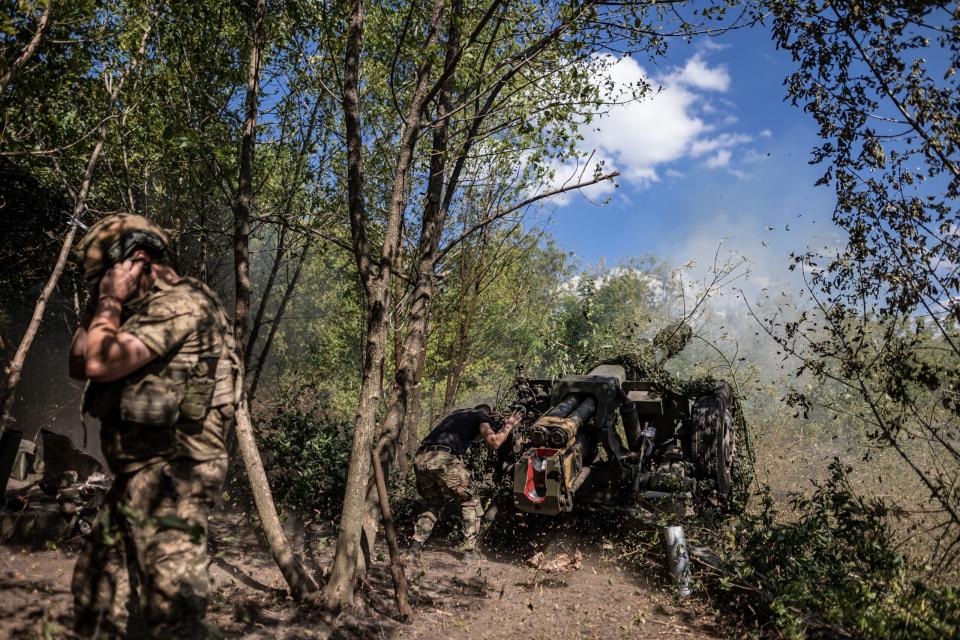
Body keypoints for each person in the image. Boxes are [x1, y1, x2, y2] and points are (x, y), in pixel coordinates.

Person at [68, 215, 236, 639]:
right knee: (96, 595)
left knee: (176, 618)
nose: (101, 291)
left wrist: (109, 302)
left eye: (103, 278)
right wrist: (101, 304)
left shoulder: (183, 303)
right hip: (137, 475)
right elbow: (77, 362)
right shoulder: (136, 309)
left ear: (138, 260)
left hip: (173, 477)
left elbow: (98, 362)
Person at [408, 403, 523, 563]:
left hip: (421, 459)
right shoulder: (480, 417)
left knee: (432, 503)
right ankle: (469, 552)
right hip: (442, 459)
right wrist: (508, 426)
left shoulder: (458, 415)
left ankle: (414, 549)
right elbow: (495, 442)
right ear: (487, 415)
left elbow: (471, 438)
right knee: (471, 501)